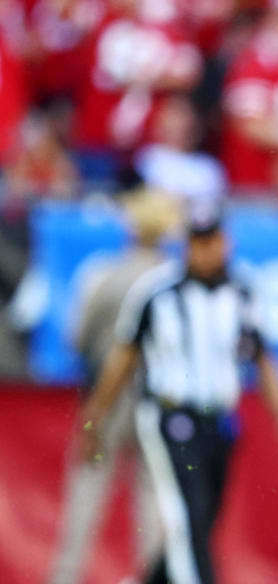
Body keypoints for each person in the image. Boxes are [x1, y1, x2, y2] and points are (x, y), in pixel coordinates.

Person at [78, 205, 278, 584]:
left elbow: (265, 359)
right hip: (171, 417)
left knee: (202, 520)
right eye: (197, 243)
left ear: (226, 242)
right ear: (185, 245)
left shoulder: (243, 292)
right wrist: (94, 420)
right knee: (189, 517)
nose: (206, 251)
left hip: (219, 420)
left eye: (212, 241)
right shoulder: (156, 293)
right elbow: (122, 359)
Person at [50, 188, 179, 584]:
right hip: (158, 400)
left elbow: (77, 337)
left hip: (104, 397)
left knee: (86, 497)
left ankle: (66, 577)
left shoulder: (102, 272)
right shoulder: (174, 280)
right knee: (153, 501)